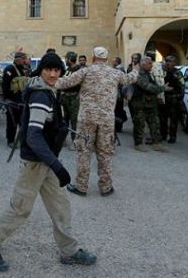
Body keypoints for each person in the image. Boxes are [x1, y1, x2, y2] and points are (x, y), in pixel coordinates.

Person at [0, 53, 97, 272]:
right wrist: (57, 164)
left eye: (56, 70)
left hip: (47, 162)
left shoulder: (49, 90)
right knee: (20, 209)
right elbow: (33, 136)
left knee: (60, 207)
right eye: (48, 70)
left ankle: (69, 251)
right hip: (35, 163)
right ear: (41, 70)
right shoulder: (41, 96)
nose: (53, 74)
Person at [55, 46, 139, 196]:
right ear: (106, 59)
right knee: (105, 152)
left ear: (93, 57)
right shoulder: (115, 73)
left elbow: (64, 83)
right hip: (106, 120)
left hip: (86, 119)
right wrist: (136, 68)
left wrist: (43, 79)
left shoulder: (85, 71)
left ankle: (81, 186)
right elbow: (130, 78)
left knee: (84, 152)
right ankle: (106, 187)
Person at [128, 56, 168, 152]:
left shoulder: (148, 74)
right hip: (140, 105)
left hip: (150, 104)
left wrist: (158, 97)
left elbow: (154, 86)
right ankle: (138, 144)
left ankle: (157, 144)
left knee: (155, 124)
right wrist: (163, 88)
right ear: (143, 64)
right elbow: (148, 87)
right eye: (149, 63)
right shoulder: (138, 75)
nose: (152, 65)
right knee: (139, 125)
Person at [2, 51, 30, 148]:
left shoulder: (24, 69)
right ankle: (10, 140)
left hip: (23, 100)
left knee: (23, 121)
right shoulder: (9, 69)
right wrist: (6, 99)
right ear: (18, 59)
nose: (24, 61)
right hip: (12, 100)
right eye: (23, 59)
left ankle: (22, 140)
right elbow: (5, 85)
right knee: (12, 122)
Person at [159, 55, 185, 144]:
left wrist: (176, 94)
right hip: (164, 98)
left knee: (173, 119)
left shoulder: (177, 73)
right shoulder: (162, 72)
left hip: (173, 99)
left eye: (170, 61)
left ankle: (172, 136)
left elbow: (182, 86)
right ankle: (163, 135)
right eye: (166, 61)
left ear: (174, 63)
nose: (168, 63)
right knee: (163, 118)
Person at [60, 52, 82, 150]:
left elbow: (83, 85)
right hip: (65, 97)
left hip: (74, 98)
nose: (65, 60)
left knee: (74, 121)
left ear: (70, 59)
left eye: (66, 58)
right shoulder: (68, 69)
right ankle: (63, 139)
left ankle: (75, 142)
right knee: (65, 120)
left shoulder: (79, 70)